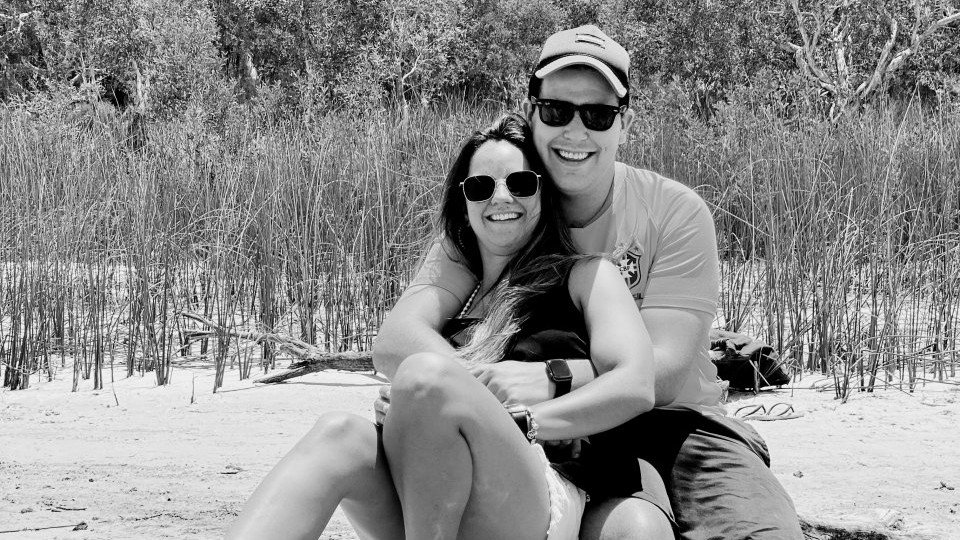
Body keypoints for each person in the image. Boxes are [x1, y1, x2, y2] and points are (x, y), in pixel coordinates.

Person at [374, 25, 804, 539]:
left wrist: (555, 376)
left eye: (597, 115)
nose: (575, 132)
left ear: (625, 123)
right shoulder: (502, 209)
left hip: (678, 425)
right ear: (532, 112)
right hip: (540, 428)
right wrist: (457, 393)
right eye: (557, 111)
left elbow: (663, 374)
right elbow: (398, 338)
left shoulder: (674, 212)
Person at [227, 113, 674, 539]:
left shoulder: (585, 275)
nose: (501, 198)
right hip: (429, 490)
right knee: (338, 433)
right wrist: (425, 405)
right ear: (464, 202)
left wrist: (512, 414)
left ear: (545, 193)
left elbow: (635, 385)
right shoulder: (459, 286)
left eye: (520, 183)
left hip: (533, 486)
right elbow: (393, 343)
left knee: (426, 378)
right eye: (481, 187)